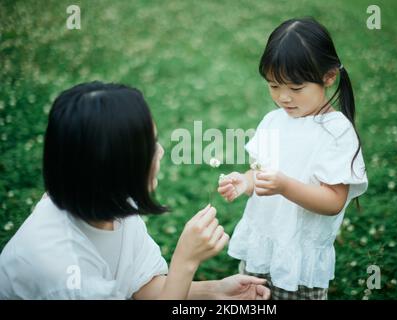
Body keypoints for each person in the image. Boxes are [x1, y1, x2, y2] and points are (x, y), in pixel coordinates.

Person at [0, 82, 270, 300]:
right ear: (117, 166)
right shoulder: (66, 278)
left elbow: (141, 287)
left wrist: (214, 291)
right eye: (150, 147)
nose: (161, 152)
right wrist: (186, 261)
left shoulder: (110, 201)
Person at [217, 17, 368, 300]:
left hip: (298, 261)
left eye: (296, 88)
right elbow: (260, 172)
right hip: (261, 247)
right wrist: (245, 182)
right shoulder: (274, 121)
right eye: (274, 86)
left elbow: (333, 201)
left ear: (329, 76)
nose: (284, 98)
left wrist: (285, 186)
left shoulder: (336, 133)